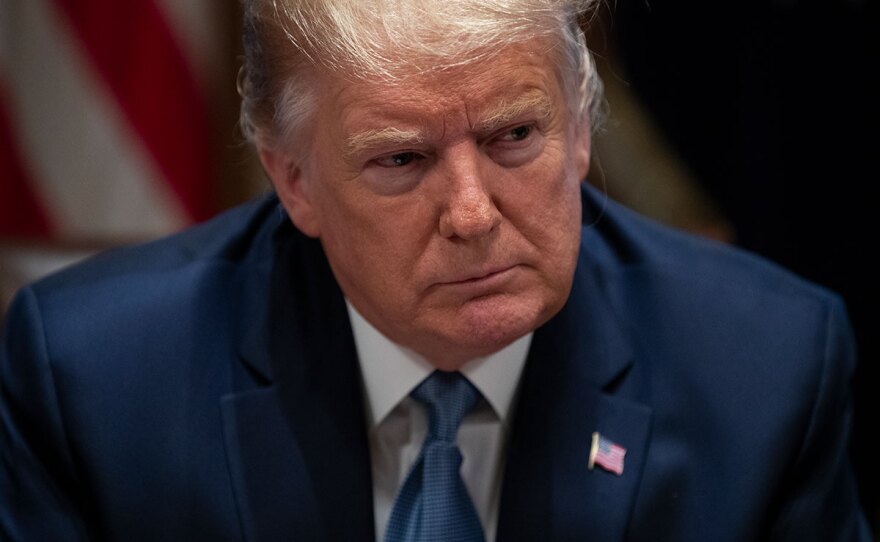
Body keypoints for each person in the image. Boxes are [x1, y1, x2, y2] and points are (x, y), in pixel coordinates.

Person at [0, 0, 870, 540]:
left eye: (514, 138)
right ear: (293, 178)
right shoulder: (95, 384)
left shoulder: (766, 370)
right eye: (403, 160)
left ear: (579, 127)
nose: (471, 214)